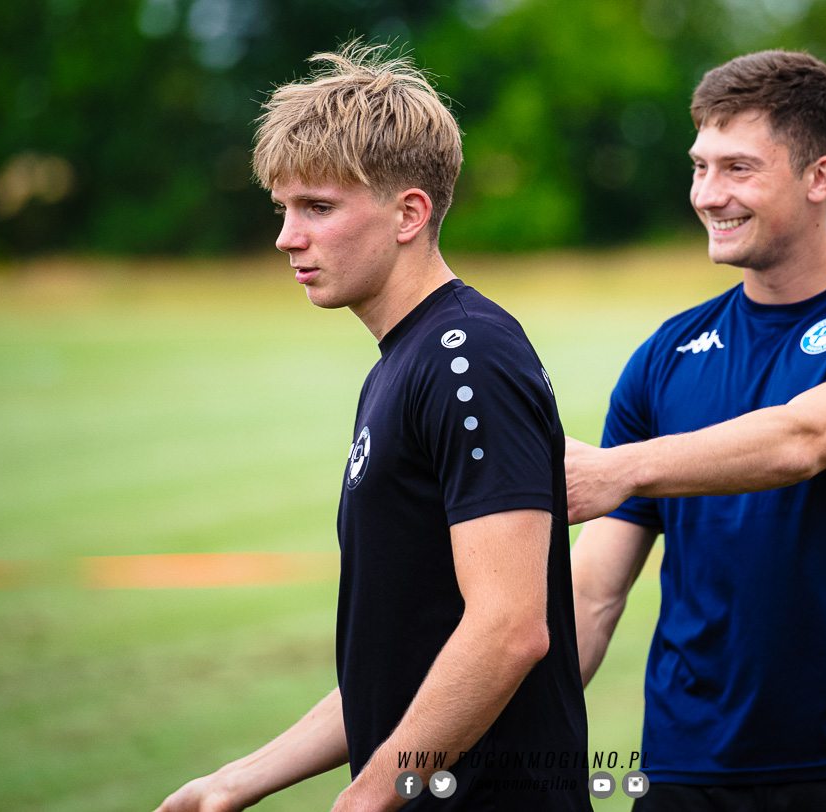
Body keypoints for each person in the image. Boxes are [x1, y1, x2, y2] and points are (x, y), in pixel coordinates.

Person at [154, 43, 590, 812]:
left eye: (317, 208)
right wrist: (236, 781)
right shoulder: (404, 362)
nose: (288, 236)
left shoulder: (467, 356)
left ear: (409, 214)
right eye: (283, 209)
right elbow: (401, 666)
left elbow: (509, 628)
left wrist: (367, 799)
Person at [565, 50, 826, 811]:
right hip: (683, 771)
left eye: (738, 169)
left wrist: (618, 468)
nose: (708, 194)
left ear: (820, 177)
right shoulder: (664, 355)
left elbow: (802, 440)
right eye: (700, 166)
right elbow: (592, 594)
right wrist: (495, 742)